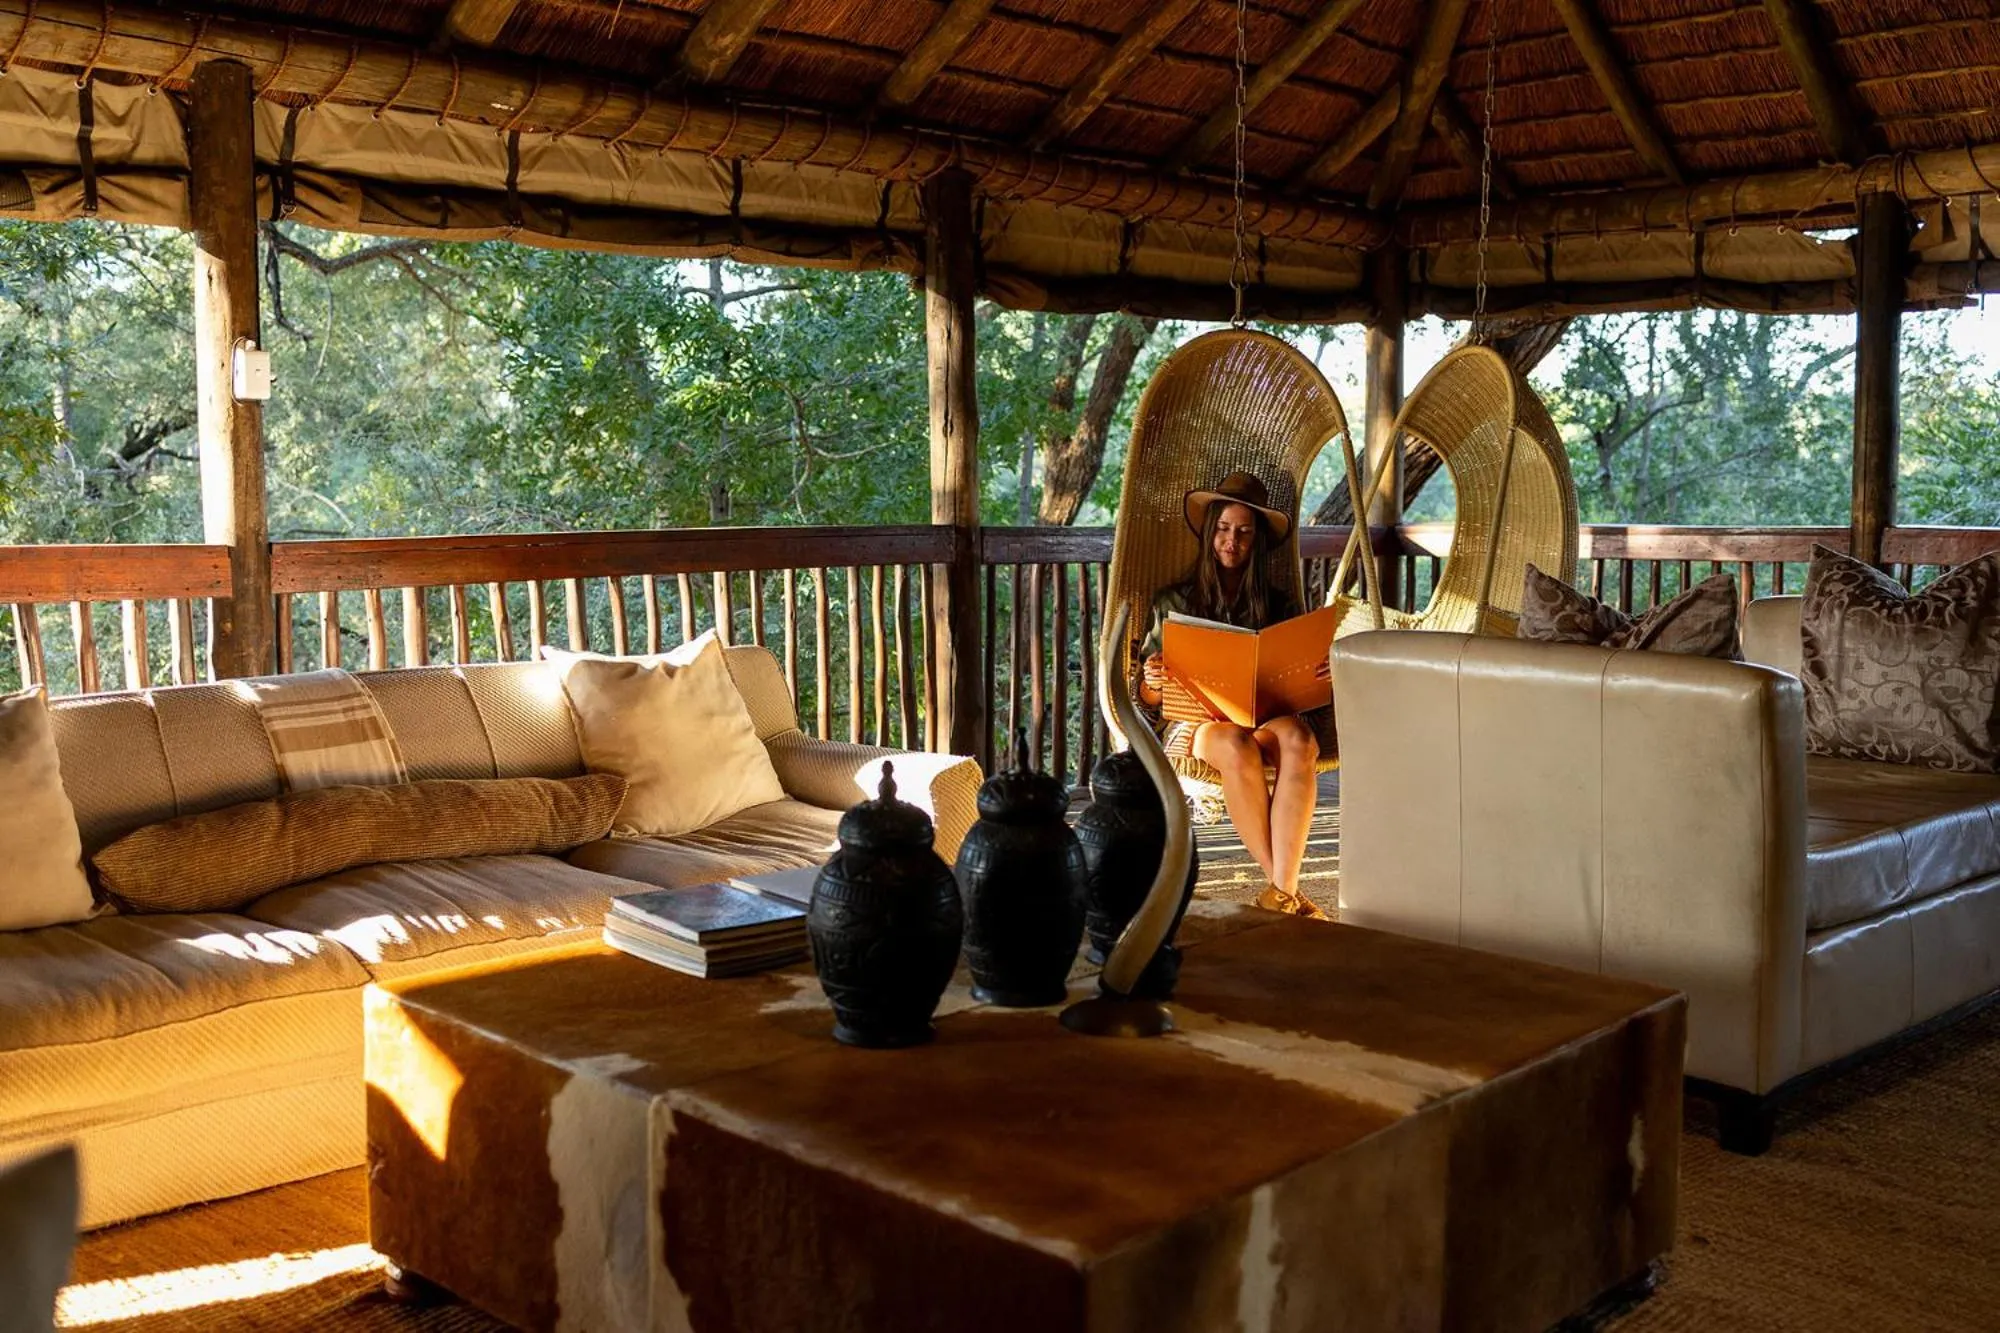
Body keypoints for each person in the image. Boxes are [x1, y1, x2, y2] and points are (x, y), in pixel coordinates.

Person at [1133, 471, 1329, 920]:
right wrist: (1153, 678)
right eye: (1223, 529)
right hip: (1198, 725)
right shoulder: (1173, 602)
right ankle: (1287, 894)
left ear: (1256, 541)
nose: (1231, 541)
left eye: (1243, 532)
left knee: (1300, 740)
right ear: (1209, 533)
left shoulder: (1277, 604)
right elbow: (1149, 699)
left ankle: (1280, 895)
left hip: (1264, 715)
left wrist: (1319, 673)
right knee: (1237, 746)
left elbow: (1303, 687)